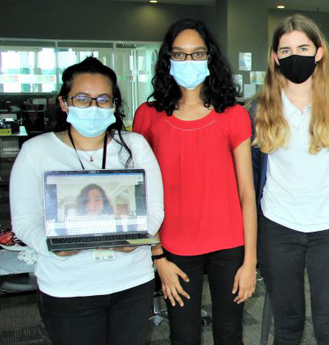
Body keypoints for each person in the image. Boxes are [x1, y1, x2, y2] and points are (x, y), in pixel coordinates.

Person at [10, 57, 164, 345]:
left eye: (103, 99)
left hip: (131, 283)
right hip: (68, 287)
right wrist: (53, 245)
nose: (93, 107)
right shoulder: (36, 151)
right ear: (64, 103)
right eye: (82, 98)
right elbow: (23, 220)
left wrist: (132, 238)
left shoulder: (135, 146)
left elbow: (154, 209)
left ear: (114, 104)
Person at [132, 19, 257, 345]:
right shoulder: (148, 115)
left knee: (230, 335)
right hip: (175, 246)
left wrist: (250, 261)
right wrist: (157, 256)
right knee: (184, 336)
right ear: (167, 60)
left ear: (210, 58)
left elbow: (247, 192)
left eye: (197, 54)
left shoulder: (233, 114)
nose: (189, 62)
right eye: (180, 54)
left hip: (229, 245)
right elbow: (140, 192)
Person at [249, 14, 329, 345]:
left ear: (319, 52)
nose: (294, 56)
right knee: (288, 324)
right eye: (285, 50)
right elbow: (254, 170)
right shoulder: (258, 110)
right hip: (278, 228)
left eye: (302, 47)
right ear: (274, 58)